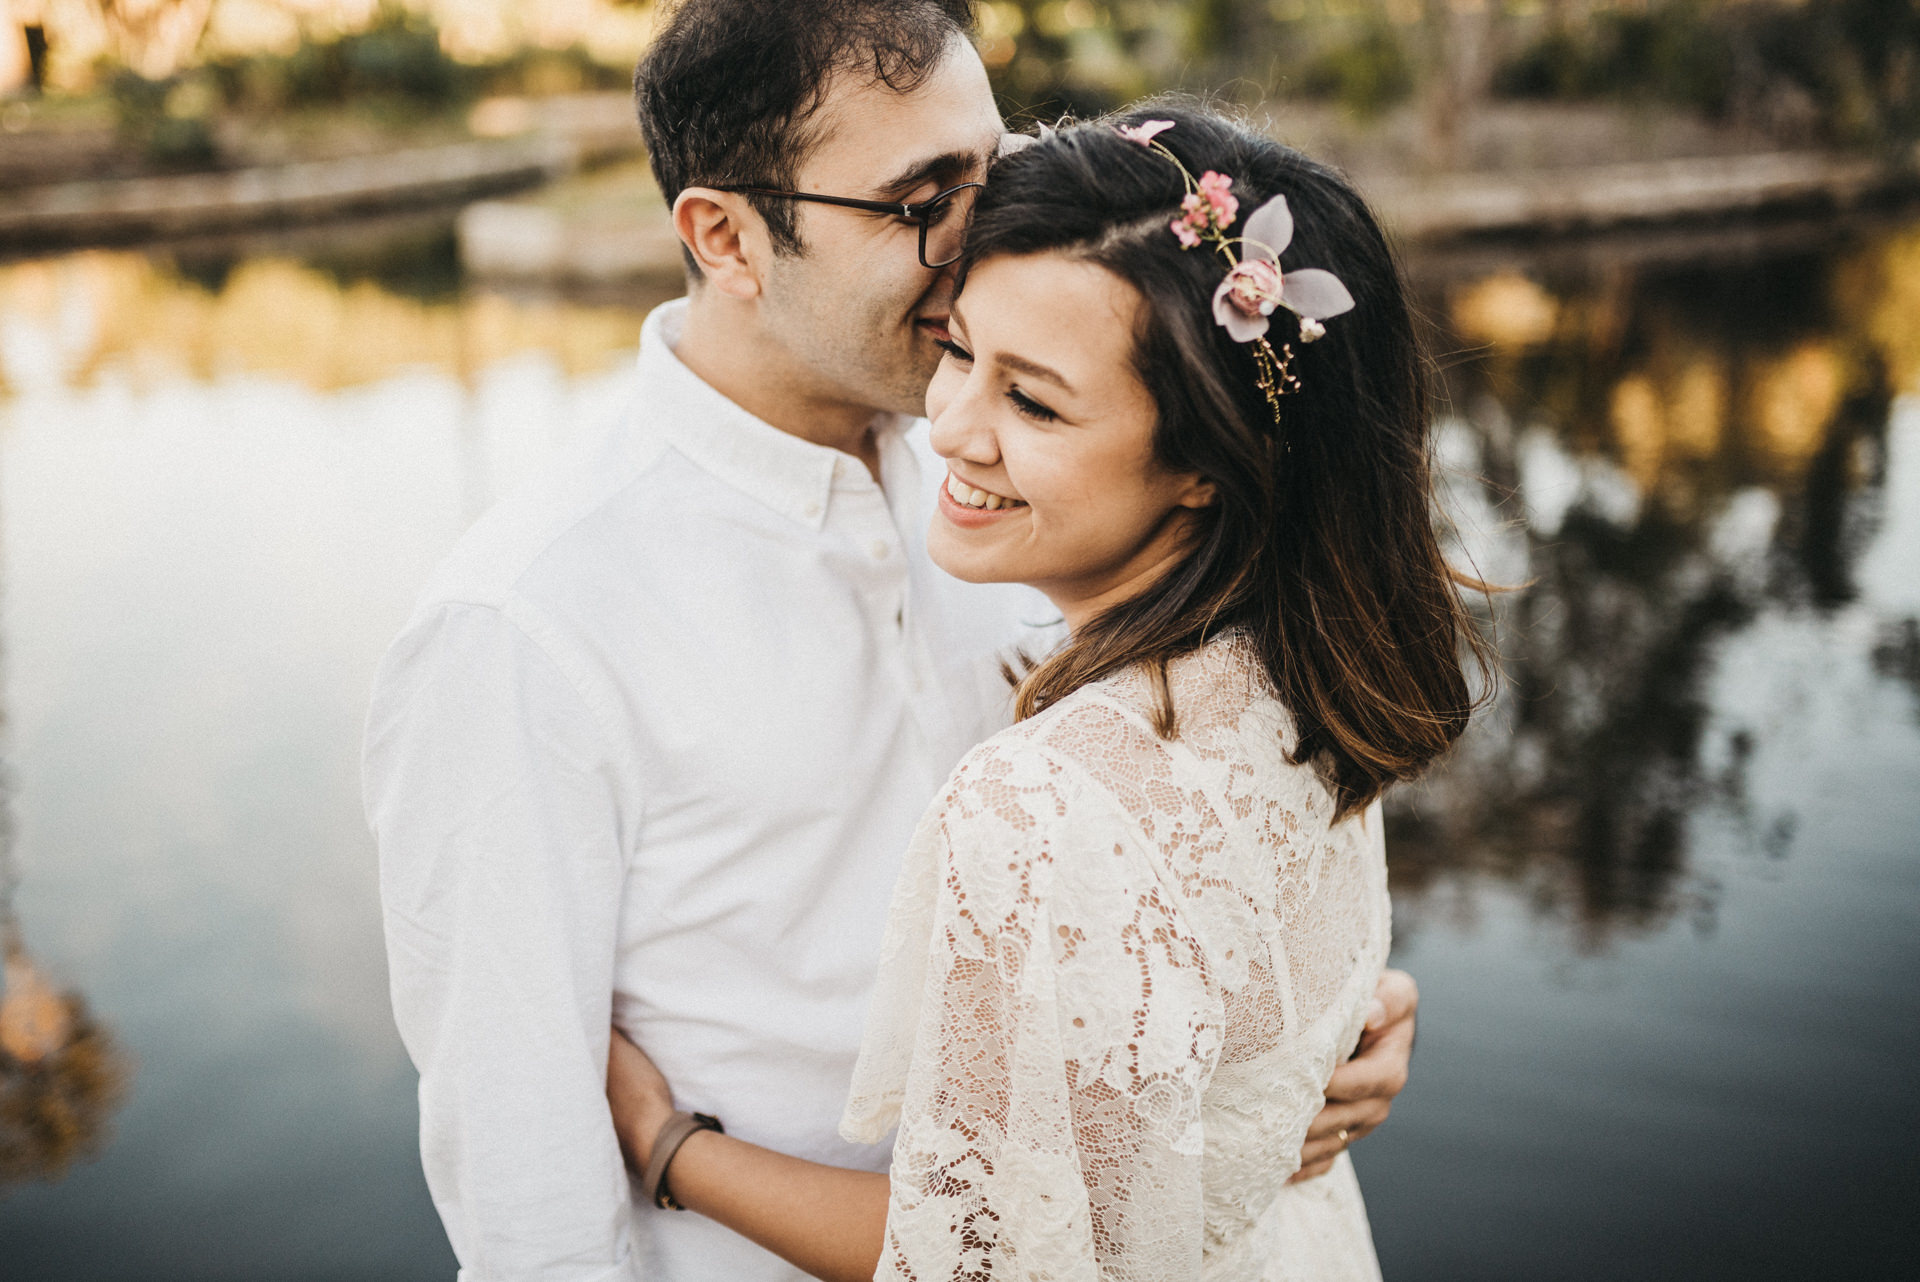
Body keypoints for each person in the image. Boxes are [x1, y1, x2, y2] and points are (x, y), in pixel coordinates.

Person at [363, 4, 1418, 1280]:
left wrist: (1299, 1034)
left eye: (994, 166)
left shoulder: (1032, 473)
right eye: (924, 196)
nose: (983, 231)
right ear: (726, 237)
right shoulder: (527, 626)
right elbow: (523, 1180)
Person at [604, 104, 1486, 1281]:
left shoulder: (1044, 804)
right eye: (958, 350)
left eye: (1035, 402)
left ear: (1203, 468)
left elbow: (982, 1265)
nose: (950, 425)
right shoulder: (1308, 668)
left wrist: (668, 1146)